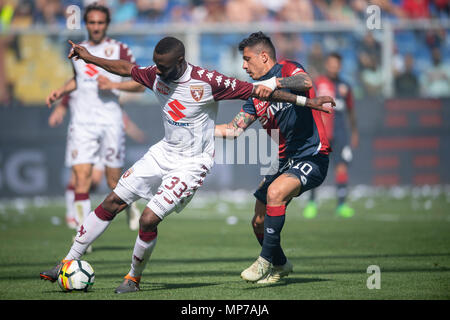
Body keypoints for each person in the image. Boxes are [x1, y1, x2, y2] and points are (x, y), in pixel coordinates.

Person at [40, 34, 335, 293]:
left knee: (148, 219)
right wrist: (87, 56)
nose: (160, 73)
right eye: (157, 67)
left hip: (196, 163)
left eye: (165, 68)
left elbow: (288, 86)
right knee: (113, 201)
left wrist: (307, 102)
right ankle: (67, 261)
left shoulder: (210, 81)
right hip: (163, 153)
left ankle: (134, 278)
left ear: (180, 61)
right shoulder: (155, 75)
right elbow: (125, 69)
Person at [214, 32, 333, 284]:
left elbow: (304, 81)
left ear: (264, 56)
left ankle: (264, 261)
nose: (243, 66)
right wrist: (201, 130)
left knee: (275, 193)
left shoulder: (288, 68)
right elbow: (234, 129)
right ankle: (280, 265)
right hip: (284, 162)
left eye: (247, 59)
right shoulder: (255, 96)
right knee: (258, 221)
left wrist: (275, 84)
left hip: (312, 155)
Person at [45, 3, 144, 239]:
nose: (96, 27)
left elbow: (140, 84)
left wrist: (113, 85)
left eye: (100, 23)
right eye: (92, 22)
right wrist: (60, 92)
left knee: (113, 182)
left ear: (107, 25)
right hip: (82, 123)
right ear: (86, 24)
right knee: (82, 177)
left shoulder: (119, 49)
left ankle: (130, 205)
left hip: (110, 121)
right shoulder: (78, 50)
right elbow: (77, 79)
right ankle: (83, 234)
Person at [48, 87, 148, 231]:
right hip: (81, 132)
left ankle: (129, 203)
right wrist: (61, 107)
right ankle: (78, 226)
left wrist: (137, 134)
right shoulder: (80, 74)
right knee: (78, 178)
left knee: (106, 181)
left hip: (105, 135)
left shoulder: (105, 84)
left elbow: (133, 84)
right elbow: (73, 84)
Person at [304, 52, 358, 219]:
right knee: (314, 168)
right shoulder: (318, 83)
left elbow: (350, 111)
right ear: (327, 64)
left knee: (341, 167)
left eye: (337, 64)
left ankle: (341, 204)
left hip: (340, 134)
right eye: (331, 64)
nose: (334, 67)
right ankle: (312, 203)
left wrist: (354, 132)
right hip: (320, 134)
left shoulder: (345, 87)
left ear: (340, 66)